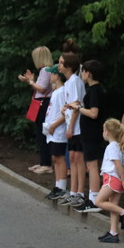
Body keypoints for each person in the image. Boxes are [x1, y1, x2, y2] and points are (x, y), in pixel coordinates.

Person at [69, 60, 106, 213]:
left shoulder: (95, 91)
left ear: (88, 73)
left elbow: (94, 113)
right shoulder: (94, 90)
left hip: (92, 133)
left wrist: (78, 107)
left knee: (92, 166)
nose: (82, 74)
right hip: (90, 133)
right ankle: (92, 197)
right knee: (90, 165)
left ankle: (94, 200)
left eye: (83, 71)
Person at [94, 119, 124, 243]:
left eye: (103, 130)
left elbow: (117, 164)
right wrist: (123, 178)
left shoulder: (111, 147)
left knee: (98, 201)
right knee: (113, 207)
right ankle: (113, 233)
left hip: (112, 179)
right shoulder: (119, 147)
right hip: (117, 180)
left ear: (107, 132)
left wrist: (122, 178)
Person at [19, 46, 55, 175]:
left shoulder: (45, 70)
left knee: (42, 133)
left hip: (42, 104)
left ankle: (46, 164)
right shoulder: (48, 70)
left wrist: (30, 82)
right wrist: (31, 81)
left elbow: (42, 89)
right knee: (42, 133)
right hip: (45, 103)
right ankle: (43, 161)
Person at [58, 49, 86, 208]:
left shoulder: (75, 81)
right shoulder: (68, 82)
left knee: (78, 159)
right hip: (73, 126)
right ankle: (73, 191)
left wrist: (70, 127)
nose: (59, 66)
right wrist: (64, 108)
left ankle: (80, 192)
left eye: (61, 63)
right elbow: (70, 104)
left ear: (69, 66)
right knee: (73, 158)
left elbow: (77, 105)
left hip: (77, 127)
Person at [43, 71, 69, 202]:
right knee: (55, 158)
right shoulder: (56, 92)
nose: (49, 77)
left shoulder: (62, 92)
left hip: (58, 131)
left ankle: (62, 187)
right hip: (52, 131)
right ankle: (58, 185)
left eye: (52, 74)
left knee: (59, 158)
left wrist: (54, 125)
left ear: (57, 76)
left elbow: (66, 112)